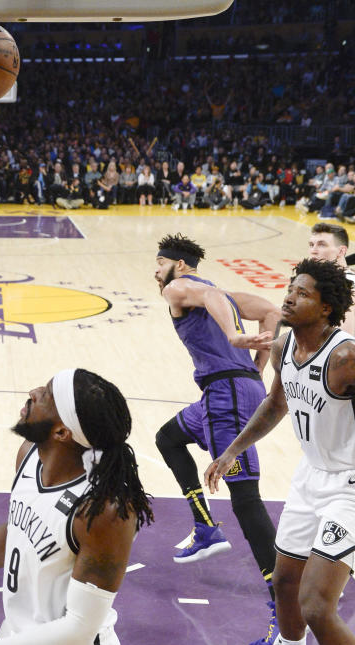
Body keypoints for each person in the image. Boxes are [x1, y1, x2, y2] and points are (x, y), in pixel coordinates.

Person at [0, 369, 153, 645]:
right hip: (17, 636)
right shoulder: (29, 456)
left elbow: (80, 629)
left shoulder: (104, 510)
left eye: (45, 395)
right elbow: (19, 532)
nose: (33, 392)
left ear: (61, 432)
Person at [206, 258, 355, 645]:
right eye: (290, 288)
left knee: (317, 607)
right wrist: (232, 450)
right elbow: (275, 404)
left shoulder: (345, 360)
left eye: (302, 293)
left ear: (326, 308)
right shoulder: (284, 346)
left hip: (349, 487)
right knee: (285, 582)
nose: (289, 297)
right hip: (310, 477)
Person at [153, 234, 281, 645]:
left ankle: (285, 607)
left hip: (225, 397)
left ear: (180, 265)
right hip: (224, 393)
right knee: (168, 438)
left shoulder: (180, 287)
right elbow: (271, 311)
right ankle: (206, 527)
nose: (155, 272)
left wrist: (234, 338)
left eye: (159, 263)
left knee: (245, 500)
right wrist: (258, 367)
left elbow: (205, 295)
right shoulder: (219, 293)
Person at [307, 222, 355, 334]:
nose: (313, 251)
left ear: (341, 251)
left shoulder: (349, 286)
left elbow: (347, 339)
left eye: (322, 245)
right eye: (311, 245)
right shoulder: (318, 280)